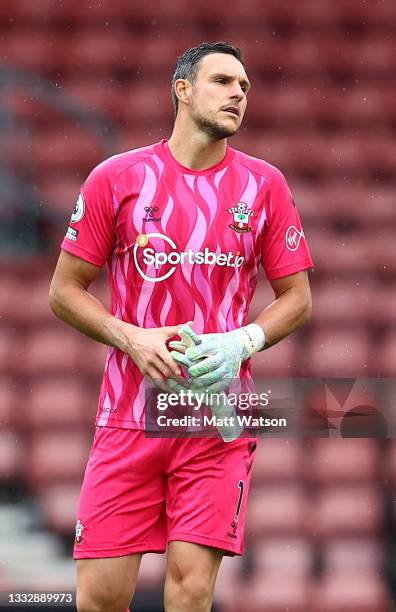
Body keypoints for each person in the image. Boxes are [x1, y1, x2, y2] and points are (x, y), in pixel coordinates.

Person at [49, 41, 313, 612]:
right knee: (99, 598)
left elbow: (297, 299)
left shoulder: (264, 186)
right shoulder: (117, 178)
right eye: (222, 81)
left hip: (216, 417)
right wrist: (130, 336)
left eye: (244, 86)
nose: (238, 93)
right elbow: (64, 292)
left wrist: (242, 340)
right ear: (183, 89)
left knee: (191, 592)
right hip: (128, 415)